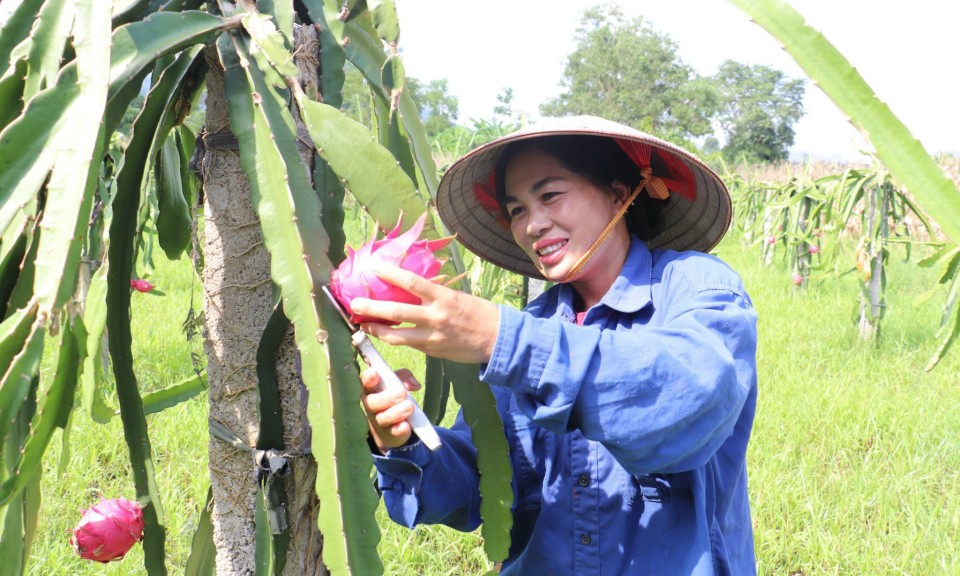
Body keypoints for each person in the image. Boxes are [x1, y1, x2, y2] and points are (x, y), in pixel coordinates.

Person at [348, 115, 758, 575]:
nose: (532, 225)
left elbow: (687, 397)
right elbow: (487, 483)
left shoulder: (699, 289)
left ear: (619, 194)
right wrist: (403, 442)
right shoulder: (532, 326)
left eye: (550, 195)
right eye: (518, 209)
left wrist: (499, 338)